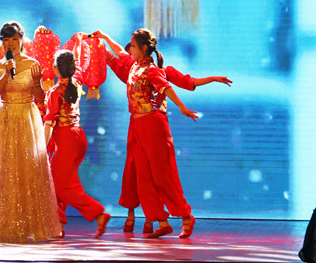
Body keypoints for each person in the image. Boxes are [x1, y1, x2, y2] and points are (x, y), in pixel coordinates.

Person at [93, 29, 231, 238]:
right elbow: (119, 52)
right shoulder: (134, 67)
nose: (129, 49)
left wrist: (184, 105)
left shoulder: (153, 70)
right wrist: (104, 37)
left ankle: (186, 217)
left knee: (163, 176)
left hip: (154, 125)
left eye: (133, 46)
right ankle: (162, 221)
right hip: (138, 125)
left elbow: (171, 86)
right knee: (143, 178)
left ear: (144, 48)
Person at [0, 21, 62, 243]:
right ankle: (4, 225)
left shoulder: (32, 63)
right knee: (5, 169)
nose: (11, 43)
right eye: (6, 40)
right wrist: (7, 73)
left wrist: (37, 82)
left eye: (14, 39)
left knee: (29, 168)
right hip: (6, 117)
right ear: (2, 42)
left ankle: (31, 225)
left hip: (27, 117)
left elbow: (39, 97)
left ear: (21, 40)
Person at [43, 33, 111, 238]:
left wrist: (41, 146)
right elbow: (79, 60)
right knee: (61, 181)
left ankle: (97, 213)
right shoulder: (77, 80)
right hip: (78, 137)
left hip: (65, 140)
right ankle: (57, 224)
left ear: (56, 69)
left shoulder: (55, 92)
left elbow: (49, 122)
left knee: (59, 184)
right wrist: (79, 42)